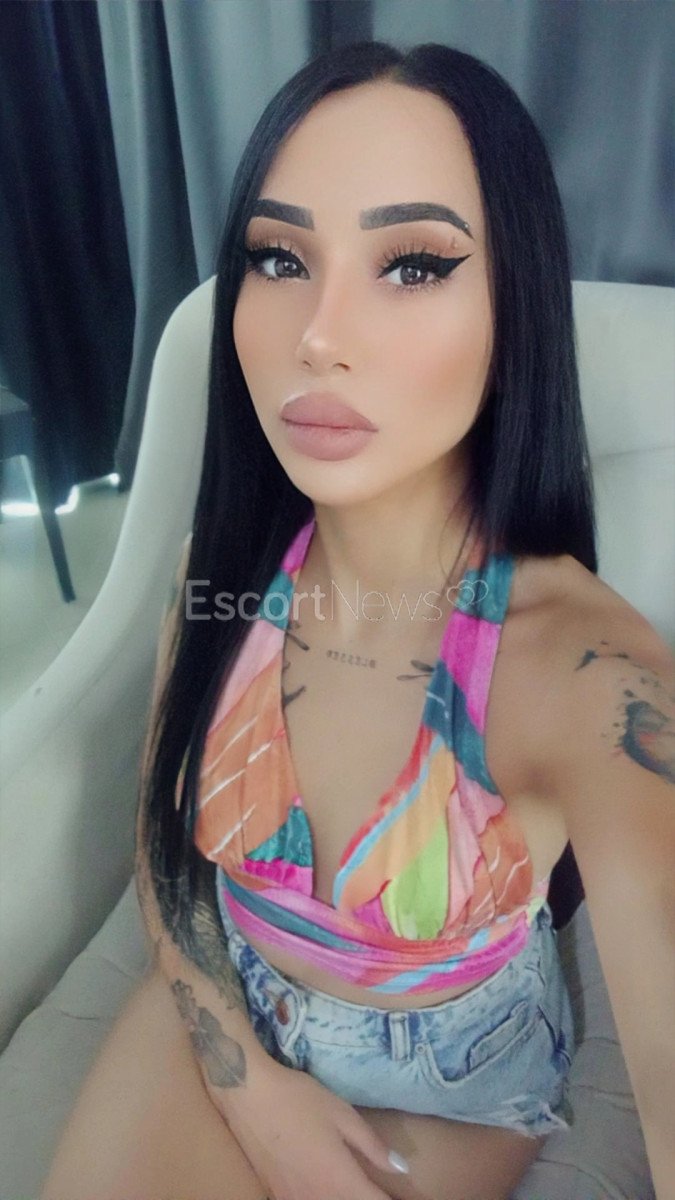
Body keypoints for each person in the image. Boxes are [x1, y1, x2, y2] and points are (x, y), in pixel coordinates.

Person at [43, 40, 675, 1200]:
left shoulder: (592, 678)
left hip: (450, 1086)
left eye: (414, 265)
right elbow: (162, 840)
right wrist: (249, 1086)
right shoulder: (217, 579)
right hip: (229, 1002)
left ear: (515, 310)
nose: (319, 334)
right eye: (280, 258)